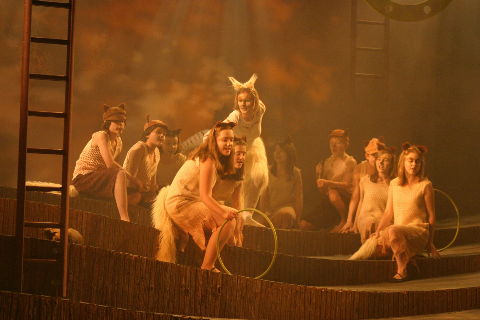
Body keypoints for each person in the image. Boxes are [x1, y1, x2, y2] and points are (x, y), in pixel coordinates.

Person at [151, 122, 242, 272]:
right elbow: (205, 196)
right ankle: (207, 266)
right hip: (181, 203)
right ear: (215, 140)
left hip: (192, 201)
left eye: (231, 140)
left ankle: (224, 248)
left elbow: (210, 195)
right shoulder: (208, 159)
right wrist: (223, 213)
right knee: (227, 221)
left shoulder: (215, 160)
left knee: (234, 217)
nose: (229, 144)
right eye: (225, 140)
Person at [350, 143, 440, 282]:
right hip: (397, 231)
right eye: (410, 160)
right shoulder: (395, 184)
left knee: (393, 231)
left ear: (421, 164)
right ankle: (410, 259)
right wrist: (378, 231)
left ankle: (402, 271)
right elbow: (388, 213)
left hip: (417, 231)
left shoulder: (425, 185)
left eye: (417, 161)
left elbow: (432, 216)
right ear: (403, 162)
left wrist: (430, 243)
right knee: (376, 248)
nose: (414, 164)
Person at [223, 74, 268, 226]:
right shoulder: (235, 115)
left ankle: (248, 215)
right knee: (236, 181)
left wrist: (248, 87)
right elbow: (222, 128)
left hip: (254, 146)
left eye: (247, 100)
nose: (244, 104)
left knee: (258, 176)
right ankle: (230, 213)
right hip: (236, 148)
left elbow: (253, 94)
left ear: (254, 101)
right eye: (240, 100)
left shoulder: (260, 109)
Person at [71, 104, 130, 221]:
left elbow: (111, 171)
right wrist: (132, 178)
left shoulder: (119, 142)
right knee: (121, 173)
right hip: (84, 179)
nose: (121, 125)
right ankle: (125, 218)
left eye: (122, 122)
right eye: (117, 122)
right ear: (108, 123)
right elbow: (110, 165)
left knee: (136, 196)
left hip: (99, 179)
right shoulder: (101, 136)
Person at [299, 129, 356, 231]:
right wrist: (319, 178)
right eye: (331, 143)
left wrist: (327, 183)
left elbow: (348, 185)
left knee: (333, 192)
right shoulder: (327, 162)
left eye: (337, 143)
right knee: (304, 224)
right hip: (329, 202)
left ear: (345, 144)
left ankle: (343, 219)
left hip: (343, 201)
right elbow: (322, 190)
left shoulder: (350, 161)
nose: (333, 147)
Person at [341, 138, 385, 233]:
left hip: (381, 209)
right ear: (367, 156)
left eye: (379, 154)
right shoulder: (360, 169)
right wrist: (350, 220)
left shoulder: (386, 167)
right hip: (365, 210)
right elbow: (356, 197)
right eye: (374, 155)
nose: (378, 158)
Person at [354, 145, 396, 242]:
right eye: (378, 159)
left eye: (385, 160)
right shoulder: (365, 180)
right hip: (365, 218)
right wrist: (355, 223)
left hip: (383, 219)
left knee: (384, 228)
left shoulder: (395, 184)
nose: (380, 163)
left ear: (391, 164)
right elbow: (360, 202)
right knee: (370, 223)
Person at [259, 138, 303, 229]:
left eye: (281, 151)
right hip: (271, 212)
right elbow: (264, 195)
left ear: (289, 154)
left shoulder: (296, 173)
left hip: (288, 209)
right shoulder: (268, 171)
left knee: (285, 215)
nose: (277, 154)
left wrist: (298, 218)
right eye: (276, 151)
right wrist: (263, 214)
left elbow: (299, 197)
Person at [123, 117, 167, 206]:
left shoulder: (157, 152)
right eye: (158, 132)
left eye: (164, 134)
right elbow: (129, 180)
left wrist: (154, 193)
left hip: (145, 192)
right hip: (130, 191)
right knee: (137, 198)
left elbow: (152, 181)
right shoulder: (139, 149)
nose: (162, 136)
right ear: (147, 134)